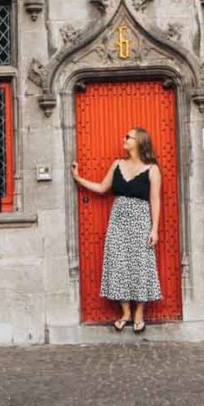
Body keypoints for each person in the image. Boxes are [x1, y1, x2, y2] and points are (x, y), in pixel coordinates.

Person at [72, 127, 162, 333]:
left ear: (139, 141)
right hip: (118, 222)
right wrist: (79, 178)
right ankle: (126, 313)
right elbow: (103, 188)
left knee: (140, 266)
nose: (124, 139)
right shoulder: (117, 165)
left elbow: (155, 200)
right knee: (118, 264)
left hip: (140, 222)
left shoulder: (152, 169)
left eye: (128, 137)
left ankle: (139, 314)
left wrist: (154, 229)